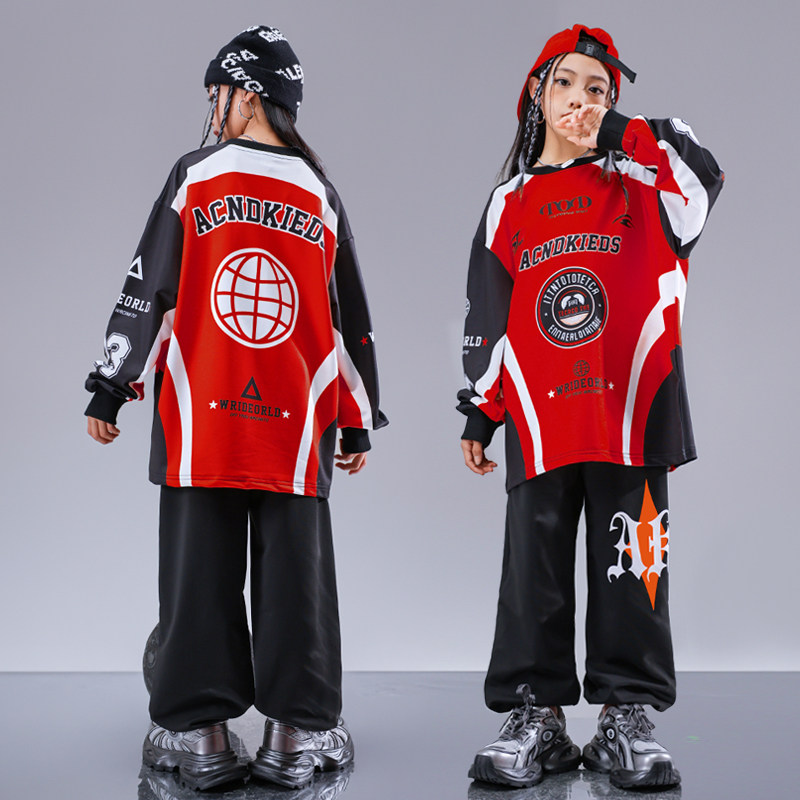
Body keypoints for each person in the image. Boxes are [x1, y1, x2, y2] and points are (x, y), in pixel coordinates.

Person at [85, 25, 387, 791]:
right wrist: (358, 415)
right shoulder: (319, 192)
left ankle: (200, 738)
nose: (213, 108)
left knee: (198, 579)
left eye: (217, 94)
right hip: (296, 425)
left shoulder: (195, 176)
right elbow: (348, 319)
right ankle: (296, 737)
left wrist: (112, 383)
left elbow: (148, 287)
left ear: (247, 96)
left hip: (203, 421)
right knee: (297, 585)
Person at [458, 24, 723, 791]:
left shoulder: (646, 183)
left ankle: (625, 717)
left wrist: (619, 133)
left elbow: (703, 173)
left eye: (599, 89)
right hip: (540, 418)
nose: (582, 99)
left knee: (633, 571)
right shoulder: (508, 201)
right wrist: (481, 409)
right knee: (531, 576)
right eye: (567, 83)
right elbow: (489, 315)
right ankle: (535, 718)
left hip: (632, 413)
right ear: (537, 94)